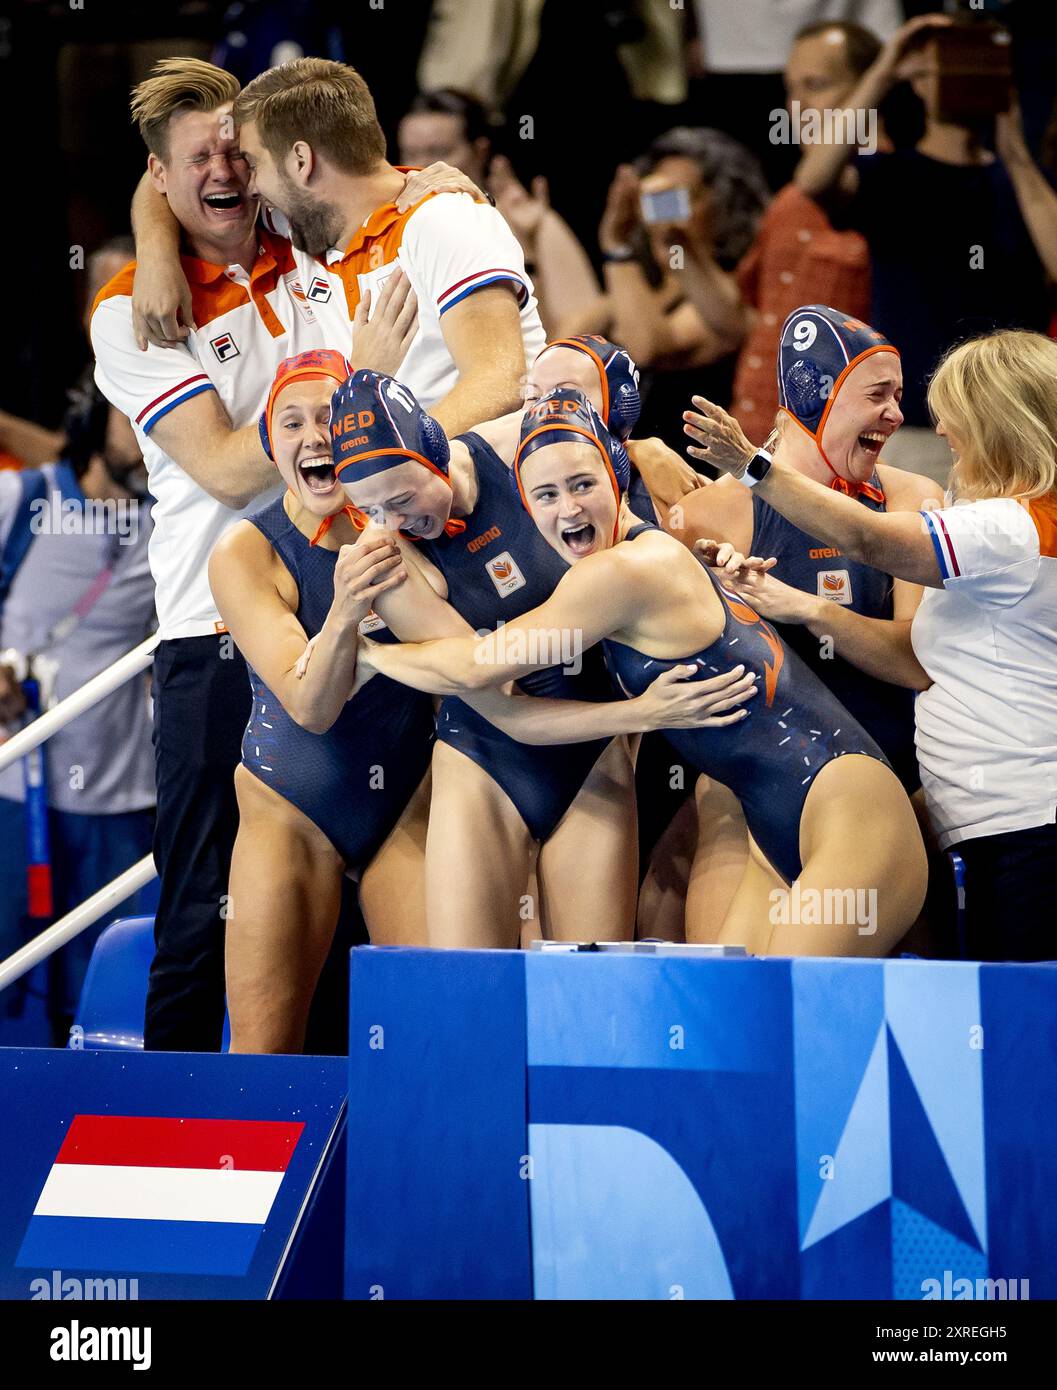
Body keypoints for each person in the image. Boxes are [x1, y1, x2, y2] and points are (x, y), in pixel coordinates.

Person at [91, 57, 426, 1051]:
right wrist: (368, 384)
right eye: (198, 158)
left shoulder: (304, 232)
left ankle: (333, 1142)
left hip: (373, 608)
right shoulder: (129, 309)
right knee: (202, 907)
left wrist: (436, 187)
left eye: (238, 146)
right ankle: (166, 1156)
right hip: (217, 632)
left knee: (344, 898)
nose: (227, 168)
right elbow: (235, 469)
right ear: (160, 177)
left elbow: (365, 179)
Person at [359, 389, 928, 956]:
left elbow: (474, 665)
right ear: (528, 510)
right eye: (548, 496)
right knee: (738, 1033)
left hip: (851, 812)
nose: (570, 510)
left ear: (617, 479)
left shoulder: (623, 573)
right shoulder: (641, 556)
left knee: (791, 1020)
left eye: (583, 485)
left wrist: (371, 656)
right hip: (774, 830)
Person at [330, 370, 757, 948]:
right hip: (482, 761)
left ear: (436, 456)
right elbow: (501, 708)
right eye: (368, 511)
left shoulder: (519, 445)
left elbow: (603, 432)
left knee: (587, 994)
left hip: (591, 770)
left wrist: (645, 454)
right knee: (476, 991)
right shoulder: (389, 563)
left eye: (402, 500)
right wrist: (639, 716)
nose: (391, 524)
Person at [682, 327, 1057, 962]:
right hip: (985, 826)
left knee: (1025, 1041)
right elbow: (919, 661)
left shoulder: (1013, 527)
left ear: (1000, 422)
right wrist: (799, 606)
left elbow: (871, 541)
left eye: (954, 416)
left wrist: (753, 465)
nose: (940, 432)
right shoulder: (1009, 529)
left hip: (1025, 831)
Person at [208, 351, 437, 1053]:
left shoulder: (410, 521)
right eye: (293, 422)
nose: (314, 438)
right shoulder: (245, 554)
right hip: (290, 811)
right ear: (272, 445)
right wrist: (341, 612)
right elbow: (309, 707)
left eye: (330, 420)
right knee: (261, 1059)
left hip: (407, 805)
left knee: (434, 1042)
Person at [795, 13, 1057, 482]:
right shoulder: (892, 178)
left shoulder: (1026, 185)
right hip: (918, 429)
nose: (964, 77)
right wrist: (884, 70)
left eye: (981, 63)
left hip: (1017, 428)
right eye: (948, 67)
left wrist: (1016, 150)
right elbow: (814, 179)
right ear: (917, 81)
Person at [229, 56, 544, 436]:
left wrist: (391, 462)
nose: (249, 187)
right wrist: (157, 246)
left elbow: (499, 382)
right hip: (382, 489)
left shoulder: (441, 220)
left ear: (300, 161)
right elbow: (177, 187)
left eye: (254, 164)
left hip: (478, 486)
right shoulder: (304, 231)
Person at [0, 379, 155, 1044]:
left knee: (98, 998)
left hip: (120, 805)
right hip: (13, 791)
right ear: (96, 417)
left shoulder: (171, 526)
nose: (153, 429)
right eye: (136, 412)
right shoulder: (20, 500)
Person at [685, 21, 882, 447]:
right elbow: (743, 323)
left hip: (836, 451)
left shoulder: (894, 191)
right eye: (792, 90)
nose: (799, 105)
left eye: (816, 85)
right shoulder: (789, 202)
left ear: (873, 91)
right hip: (756, 442)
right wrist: (681, 250)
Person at [560, 127, 770, 454]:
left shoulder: (729, 292)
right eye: (653, 198)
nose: (663, 210)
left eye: (681, 197)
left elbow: (646, 347)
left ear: (724, 204)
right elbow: (565, 341)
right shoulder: (650, 285)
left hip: (693, 470)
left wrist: (618, 247)